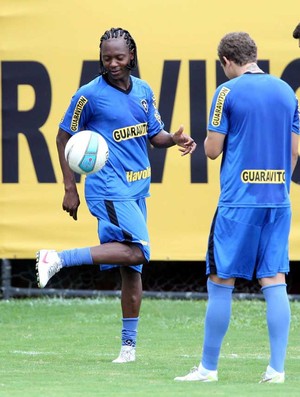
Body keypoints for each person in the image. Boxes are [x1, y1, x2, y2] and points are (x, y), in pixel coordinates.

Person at [35, 27, 196, 364]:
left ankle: (128, 349)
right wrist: (70, 187)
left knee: (130, 268)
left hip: (136, 188)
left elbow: (155, 135)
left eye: (119, 57)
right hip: (108, 188)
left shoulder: (144, 91)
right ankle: (57, 259)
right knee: (139, 253)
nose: (113, 63)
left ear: (131, 56)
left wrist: (175, 138)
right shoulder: (88, 95)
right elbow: (63, 137)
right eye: (106, 58)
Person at [175, 32, 299, 383]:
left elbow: (213, 150)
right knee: (275, 280)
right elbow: (294, 150)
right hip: (278, 199)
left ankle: (208, 369)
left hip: (238, 201)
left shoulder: (226, 91)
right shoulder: (286, 92)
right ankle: (277, 370)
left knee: (220, 280)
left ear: (226, 62)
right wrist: (277, 186)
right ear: (254, 56)